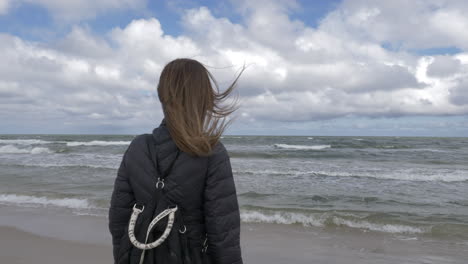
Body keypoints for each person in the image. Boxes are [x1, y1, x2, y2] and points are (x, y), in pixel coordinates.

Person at [108, 58, 244, 264]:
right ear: (204, 97)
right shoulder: (210, 151)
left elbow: (119, 220)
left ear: (162, 95)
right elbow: (223, 234)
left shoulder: (138, 146)